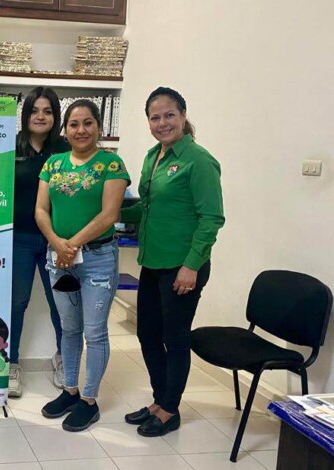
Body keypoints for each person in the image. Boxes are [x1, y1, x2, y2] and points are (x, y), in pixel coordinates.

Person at [122, 87, 224, 437]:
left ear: (183, 116)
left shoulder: (199, 161)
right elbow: (147, 207)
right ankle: (158, 400)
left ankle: (170, 409)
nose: (162, 123)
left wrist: (191, 266)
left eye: (169, 115)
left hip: (183, 267)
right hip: (152, 262)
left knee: (175, 338)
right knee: (147, 334)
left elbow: (211, 218)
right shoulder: (154, 156)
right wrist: (110, 211)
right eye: (155, 117)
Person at [36, 99, 130, 432]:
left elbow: (110, 214)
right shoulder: (53, 164)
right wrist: (57, 243)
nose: (81, 130)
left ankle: (89, 401)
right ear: (65, 130)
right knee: (69, 329)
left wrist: (71, 244)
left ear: (99, 127)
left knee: (95, 331)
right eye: (74, 124)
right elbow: (41, 210)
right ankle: (70, 390)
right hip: (59, 258)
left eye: (88, 123)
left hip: (97, 258)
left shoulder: (111, 164)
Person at [9, 87, 70, 397]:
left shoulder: (65, 150)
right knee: (16, 303)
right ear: (25, 114)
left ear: (56, 116)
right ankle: (10, 363)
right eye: (35, 110)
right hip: (18, 239)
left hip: (55, 241)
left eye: (47, 111)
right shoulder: (11, 146)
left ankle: (65, 359)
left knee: (61, 303)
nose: (41, 116)